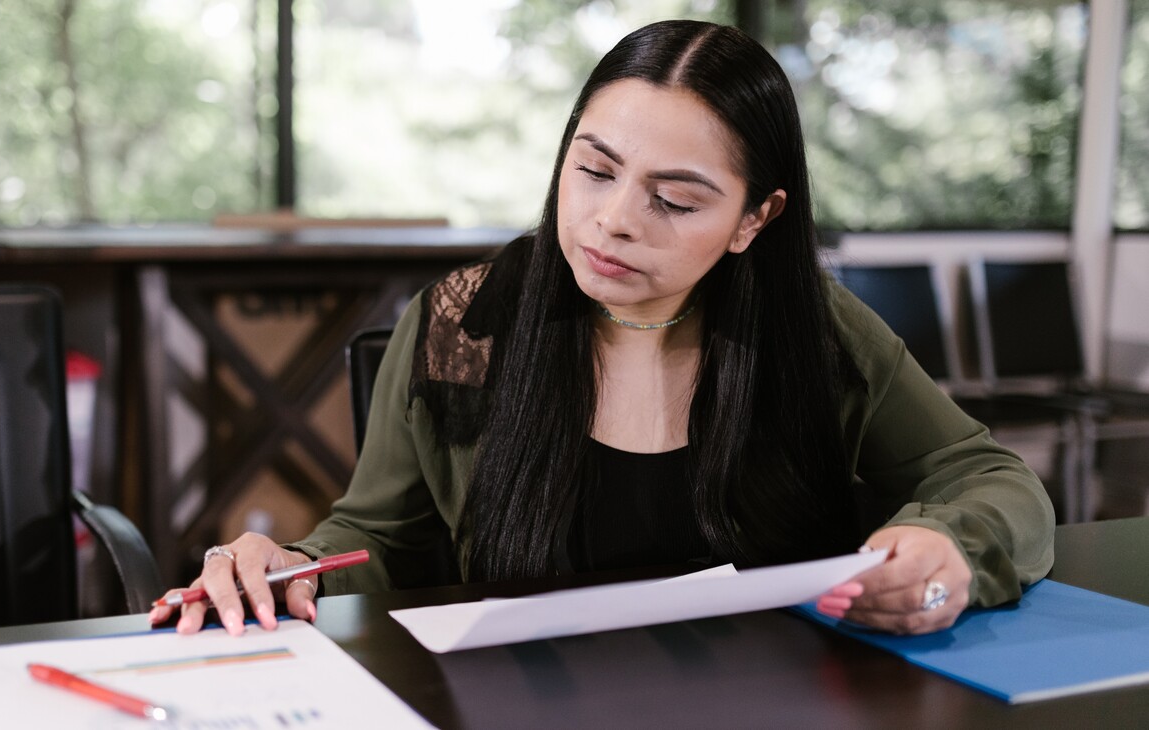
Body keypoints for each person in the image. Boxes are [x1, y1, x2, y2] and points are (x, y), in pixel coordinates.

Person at [151, 19, 1054, 637]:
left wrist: (953, 554)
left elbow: (988, 478)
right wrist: (292, 565)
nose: (614, 219)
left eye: (673, 199)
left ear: (754, 221)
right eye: (594, 170)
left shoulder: (810, 331)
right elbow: (380, 540)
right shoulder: (464, 324)